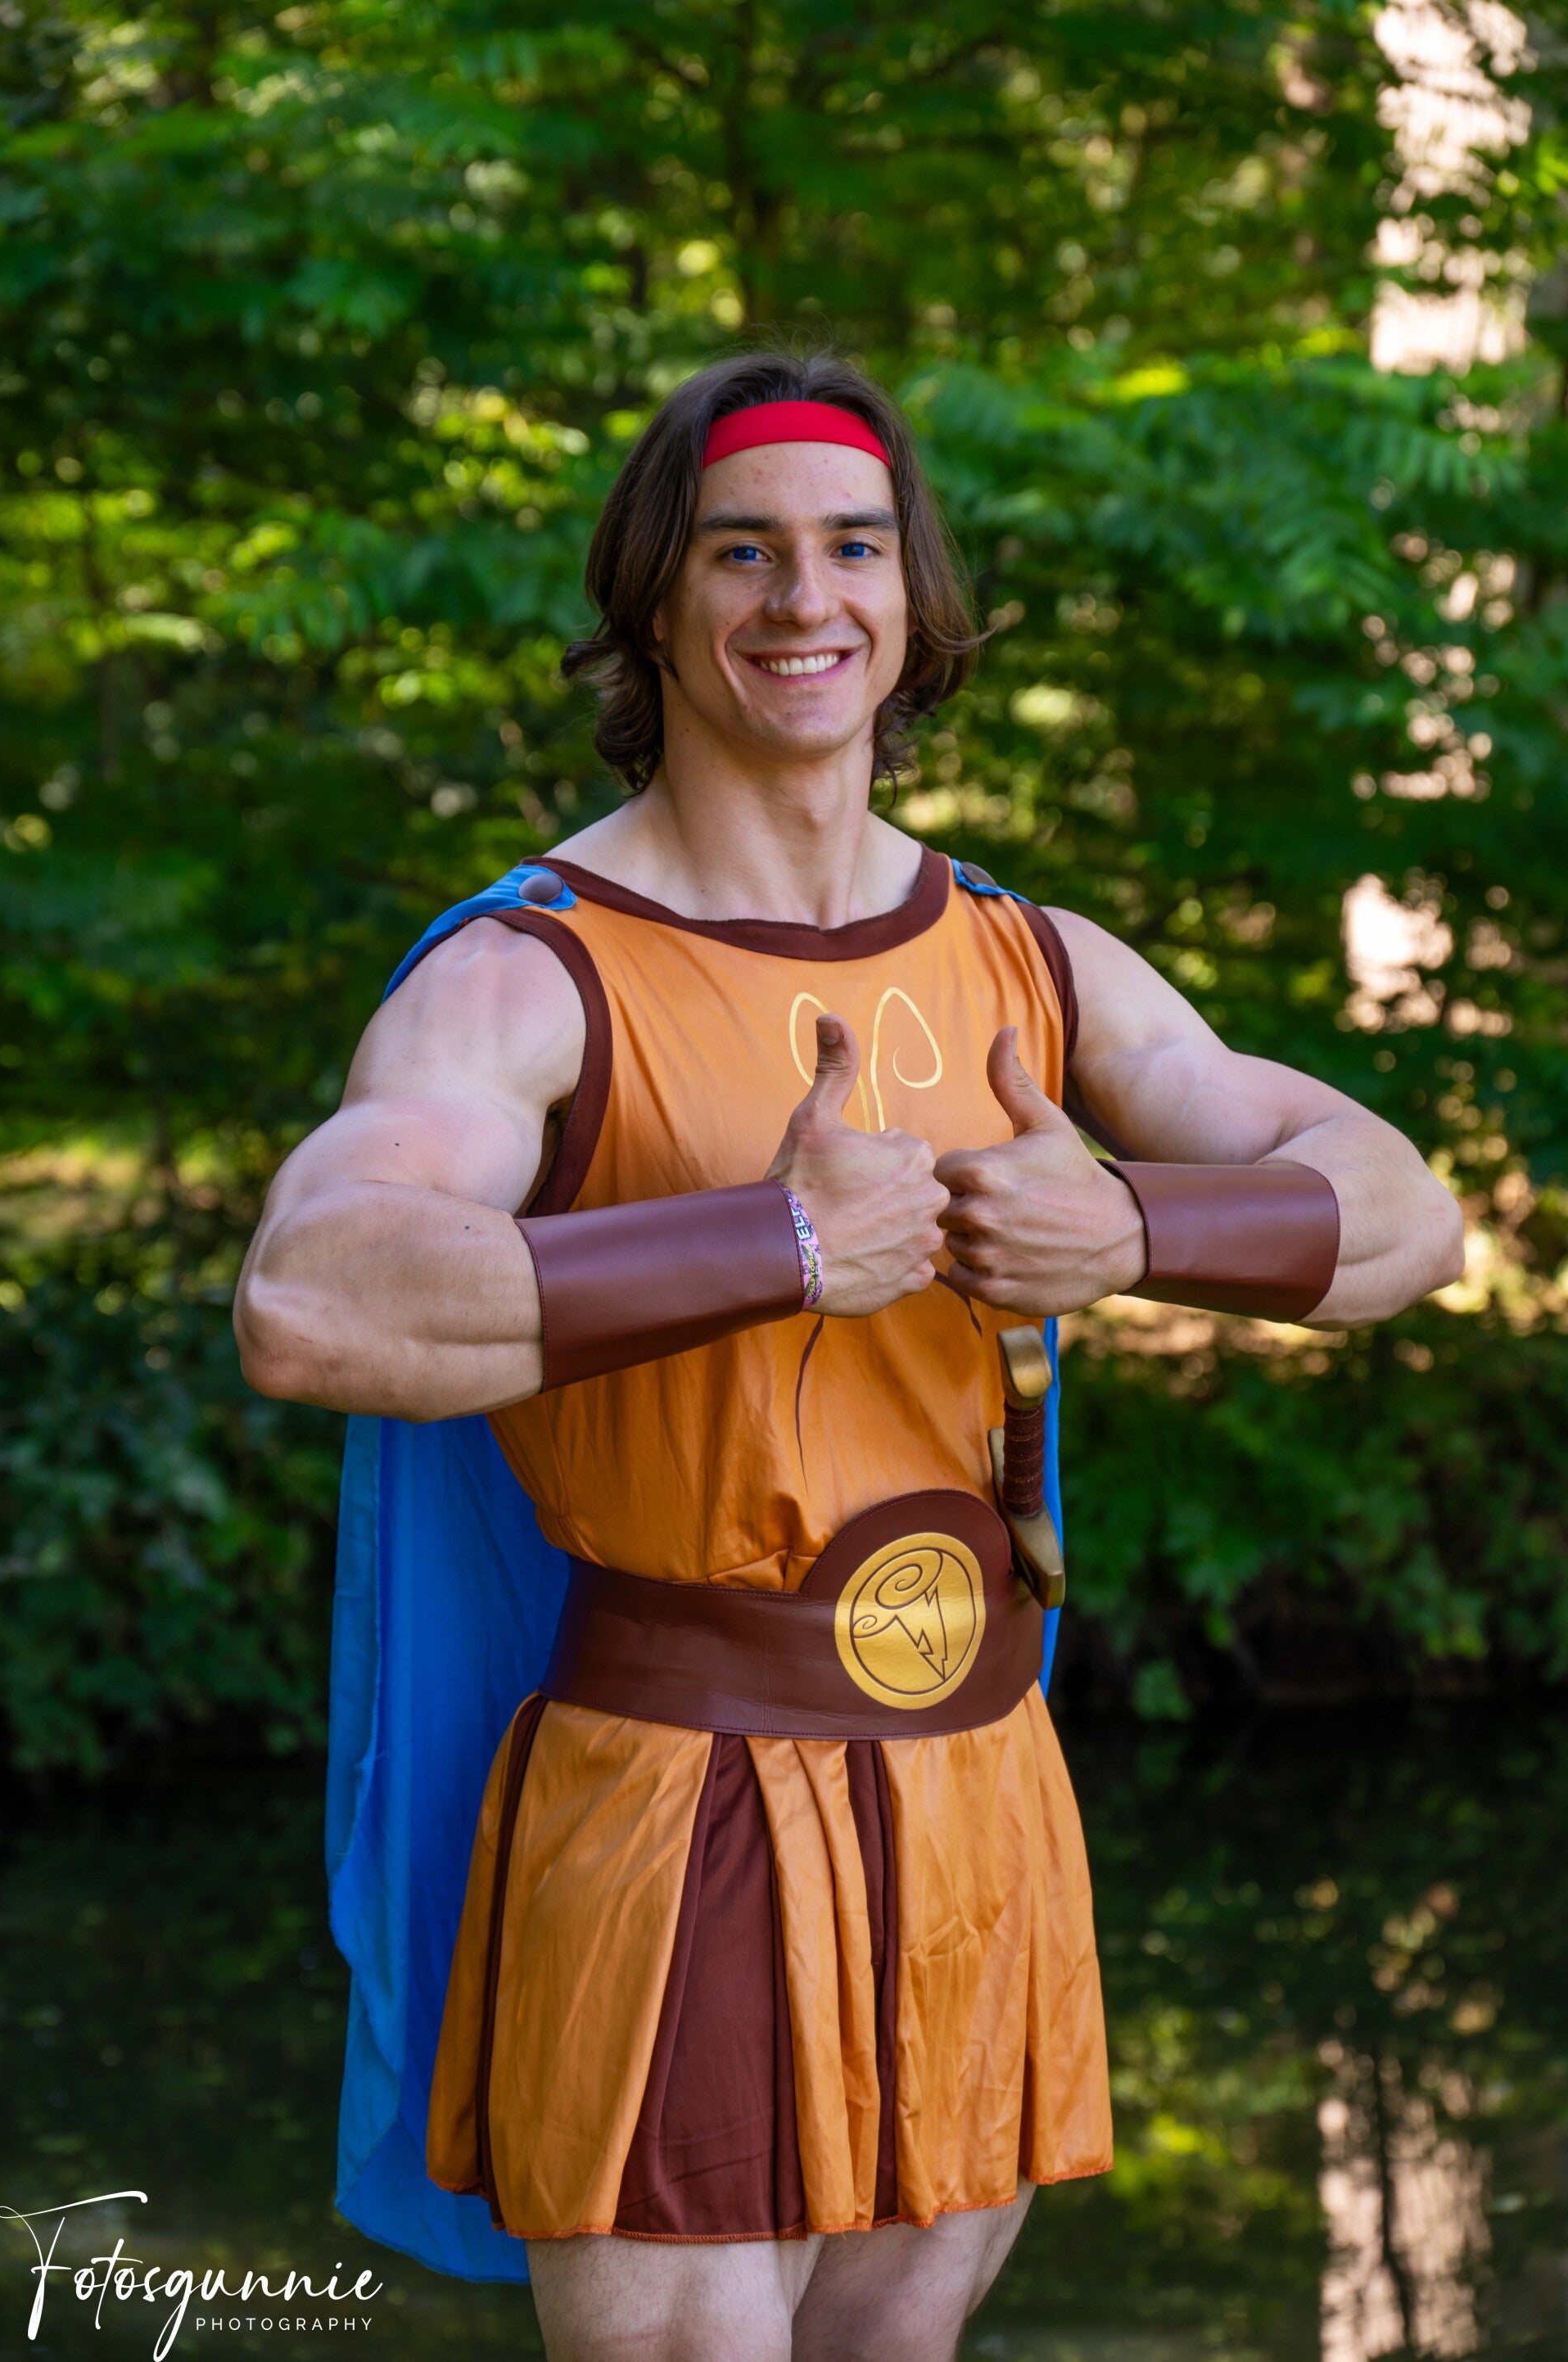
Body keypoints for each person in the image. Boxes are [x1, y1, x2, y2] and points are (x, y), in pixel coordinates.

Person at [234, 350, 1464, 2362]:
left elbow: (1407, 1216)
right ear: (654, 604)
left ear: (913, 597)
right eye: (743, 551)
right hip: (681, 1792)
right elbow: (313, 1299)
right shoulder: (533, 971)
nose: (804, 596)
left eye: (855, 547)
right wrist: (777, 1244)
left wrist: (1132, 1230)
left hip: (981, 1772)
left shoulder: (1027, 958)